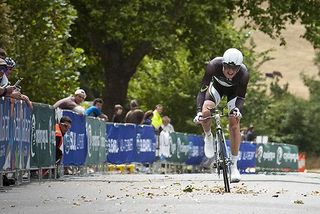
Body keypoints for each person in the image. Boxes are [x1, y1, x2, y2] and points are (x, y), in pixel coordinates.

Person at [193, 48, 249, 183]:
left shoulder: (244, 74)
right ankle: (208, 136)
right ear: (223, 64)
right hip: (217, 88)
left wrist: (236, 109)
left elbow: (241, 97)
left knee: (234, 121)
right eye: (228, 67)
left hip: (233, 93)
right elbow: (202, 90)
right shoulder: (213, 65)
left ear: (238, 68)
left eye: (234, 68)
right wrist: (199, 111)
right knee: (206, 111)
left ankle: (234, 166)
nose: (230, 71)